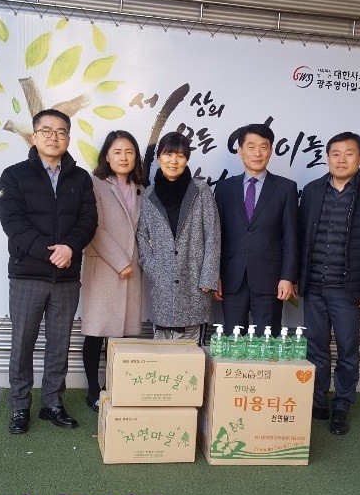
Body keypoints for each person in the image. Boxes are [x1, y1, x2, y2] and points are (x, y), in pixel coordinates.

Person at [0, 109, 97, 434]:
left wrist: (70, 247)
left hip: (66, 277)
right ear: (34, 136)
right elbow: (13, 223)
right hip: (27, 274)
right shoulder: (14, 175)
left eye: (61, 131)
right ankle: (20, 406)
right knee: (22, 343)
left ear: (68, 137)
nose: (54, 137)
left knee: (59, 343)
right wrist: (50, 252)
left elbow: (88, 220)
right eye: (46, 131)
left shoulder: (80, 178)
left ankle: (52, 403)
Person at [298, 131, 360, 435]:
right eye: (335, 154)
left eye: (349, 153)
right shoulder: (312, 191)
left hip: (348, 290)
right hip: (314, 286)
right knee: (315, 348)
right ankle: (317, 401)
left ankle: (341, 404)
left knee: (348, 350)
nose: (341, 159)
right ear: (327, 158)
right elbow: (301, 239)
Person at [80, 131, 145, 412]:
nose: (123, 157)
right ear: (106, 155)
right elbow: (92, 227)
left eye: (129, 152)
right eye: (117, 152)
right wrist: (120, 262)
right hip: (104, 266)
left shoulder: (142, 188)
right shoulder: (94, 184)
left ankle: (117, 387)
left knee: (123, 335)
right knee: (96, 332)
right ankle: (94, 391)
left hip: (132, 269)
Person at [214, 123, 299, 336]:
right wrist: (215, 276)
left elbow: (291, 238)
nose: (257, 153)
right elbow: (217, 236)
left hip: (270, 280)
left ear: (271, 150)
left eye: (263, 146)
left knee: (267, 343)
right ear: (240, 151)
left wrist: (287, 277)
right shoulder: (224, 188)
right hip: (232, 279)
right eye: (251, 147)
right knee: (233, 342)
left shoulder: (286, 188)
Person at [137, 132, 220, 342]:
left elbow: (213, 234)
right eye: (168, 154)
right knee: (163, 352)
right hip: (162, 284)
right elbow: (142, 235)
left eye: (180, 156)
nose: (173, 161)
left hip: (195, 281)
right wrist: (153, 268)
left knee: (192, 351)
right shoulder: (149, 194)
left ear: (187, 160)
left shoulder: (200, 190)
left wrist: (208, 277)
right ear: (158, 158)